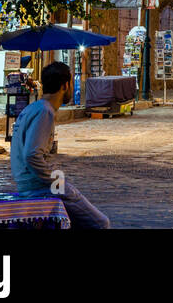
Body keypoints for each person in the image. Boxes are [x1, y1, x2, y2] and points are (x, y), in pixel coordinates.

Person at [11, 62, 110, 228]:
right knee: (100, 223)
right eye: (70, 84)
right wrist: (57, 180)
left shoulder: (32, 108)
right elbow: (32, 155)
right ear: (65, 85)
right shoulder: (44, 111)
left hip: (28, 184)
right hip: (40, 187)